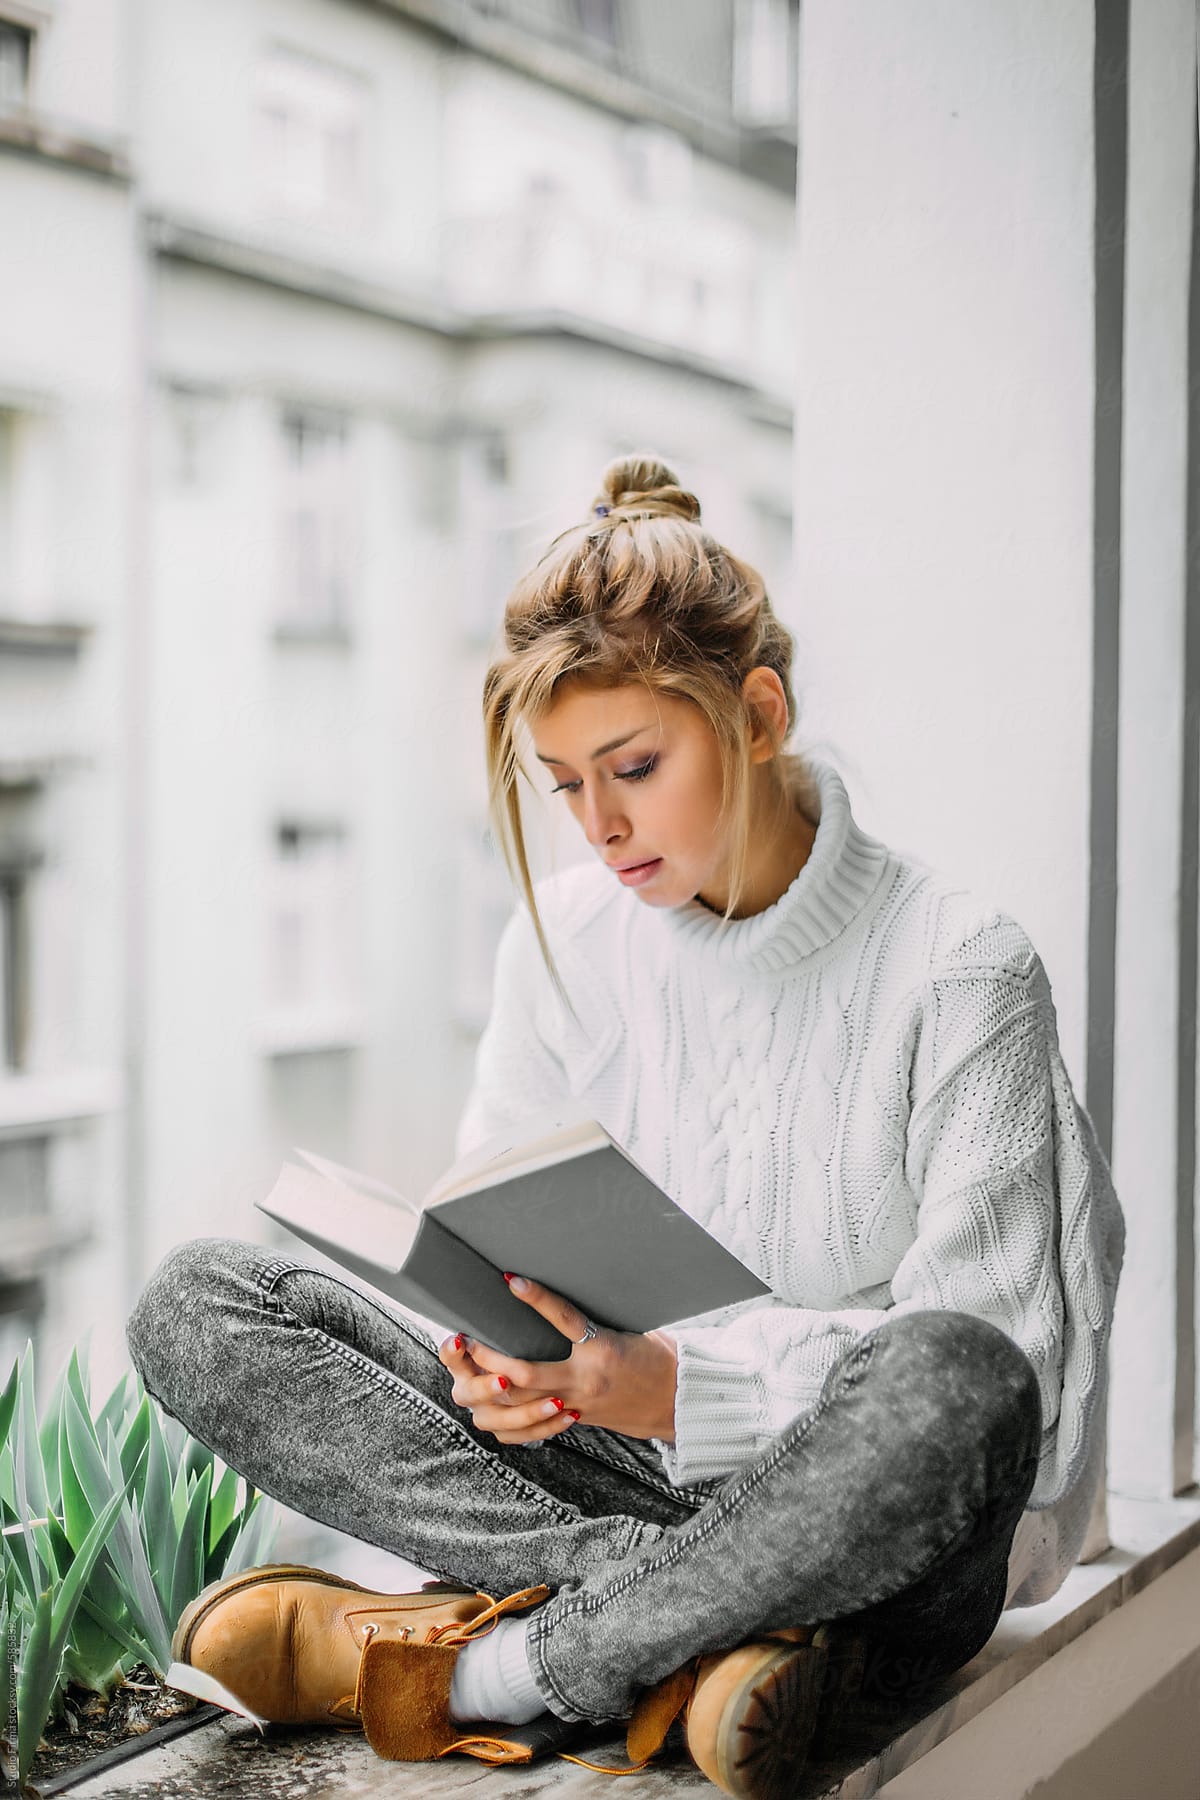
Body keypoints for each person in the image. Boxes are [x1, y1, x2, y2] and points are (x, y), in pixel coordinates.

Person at [126, 453, 1126, 1800]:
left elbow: (1018, 1401)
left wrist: (677, 1388)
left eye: (635, 767)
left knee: (959, 1379)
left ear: (757, 714)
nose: (599, 827)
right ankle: (690, 1639)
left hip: (886, 1544)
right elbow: (498, 1254)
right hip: (610, 1488)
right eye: (561, 784)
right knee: (198, 1302)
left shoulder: (960, 971)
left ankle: (501, 1668)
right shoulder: (564, 949)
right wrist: (506, 1362)